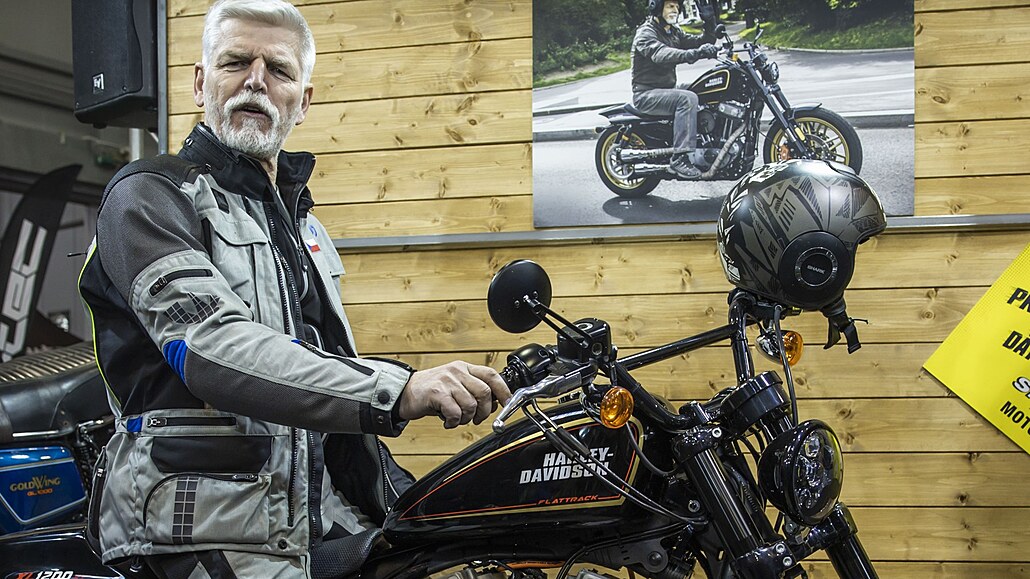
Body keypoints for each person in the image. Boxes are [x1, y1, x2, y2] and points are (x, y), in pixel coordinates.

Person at [77, 1, 511, 577]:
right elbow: (210, 349)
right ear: (201, 83)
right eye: (236, 62)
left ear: (303, 102)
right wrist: (399, 388)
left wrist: (415, 504)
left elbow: (321, 384)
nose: (256, 81)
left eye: (278, 70)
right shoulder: (150, 197)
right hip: (198, 529)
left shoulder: (302, 225)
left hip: (310, 520)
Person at [631, 0, 719, 179]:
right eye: (671, 6)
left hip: (666, 89)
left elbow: (702, 41)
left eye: (677, 7)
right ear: (657, 7)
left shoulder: (673, 32)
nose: (676, 10)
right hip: (646, 94)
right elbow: (661, 54)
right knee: (687, 99)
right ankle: (679, 158)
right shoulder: (646, 33)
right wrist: (694, 54)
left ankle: (710, 143)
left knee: (703, 88)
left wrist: (709, 22)